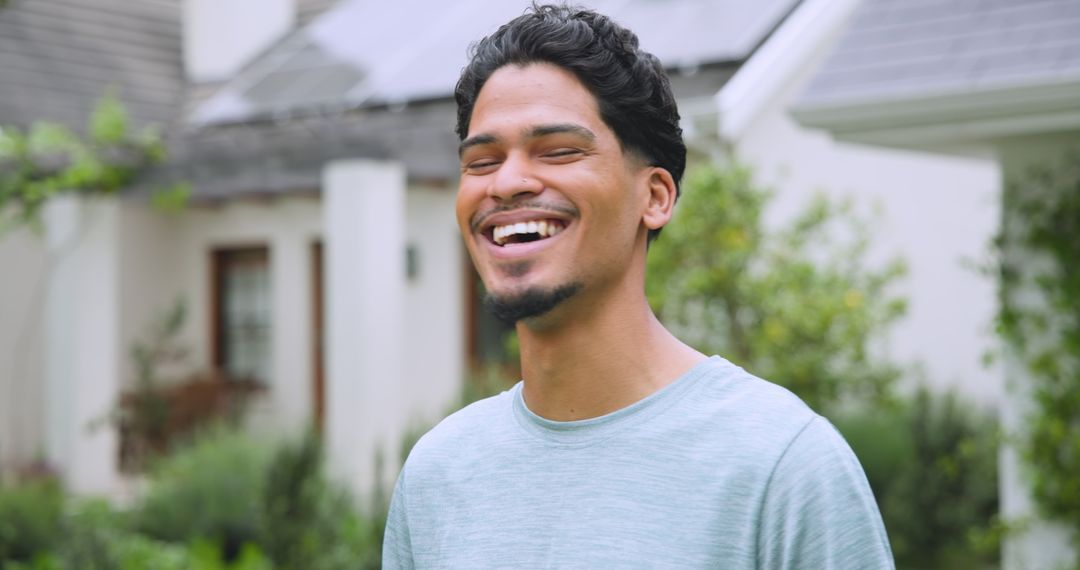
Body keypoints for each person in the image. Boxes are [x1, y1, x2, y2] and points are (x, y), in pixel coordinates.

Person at [383, 4, 894, 568]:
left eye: (558, 151)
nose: (506, 183)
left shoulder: (782, 466)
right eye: (482, 161)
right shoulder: (437, 475)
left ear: (654, 198)